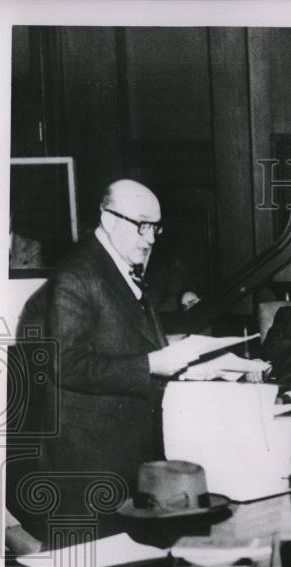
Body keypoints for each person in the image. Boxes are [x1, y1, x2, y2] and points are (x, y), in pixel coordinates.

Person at [37, 179, 199, 533]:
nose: (151, 238)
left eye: (155, 227)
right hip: (93, 460)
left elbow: (119, 339)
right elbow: (64, 361)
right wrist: (152, 364)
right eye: (141, 225)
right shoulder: (77, 274)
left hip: (126, 449)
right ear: (109, 219)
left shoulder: (120, 268)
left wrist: (179, 351)